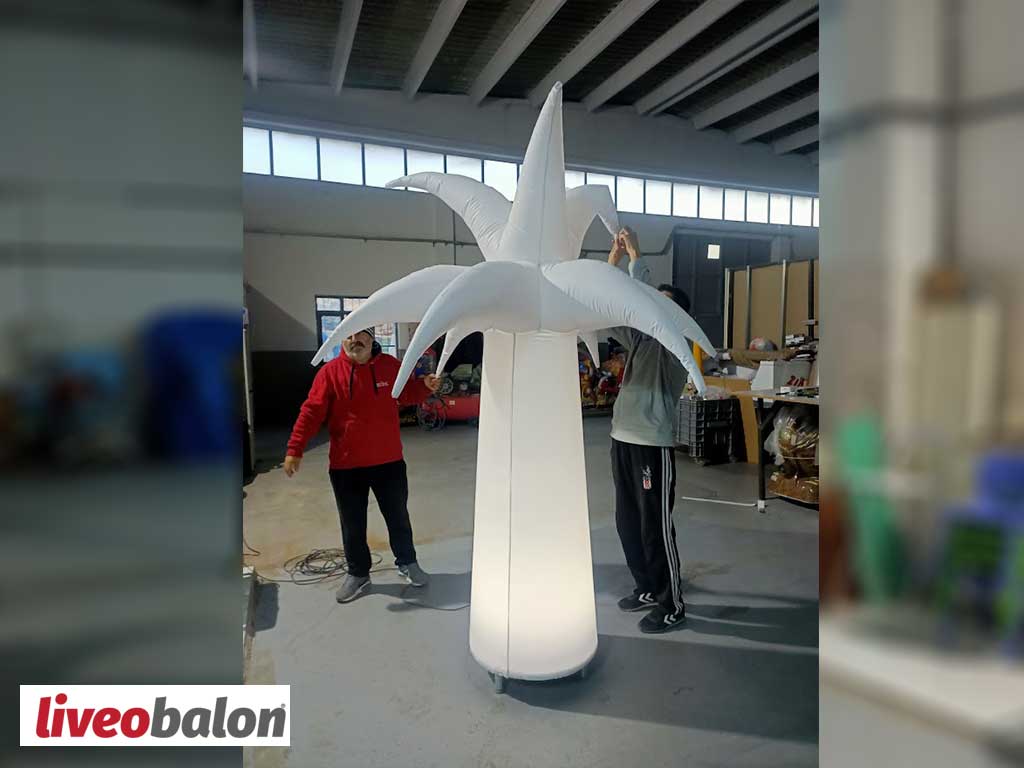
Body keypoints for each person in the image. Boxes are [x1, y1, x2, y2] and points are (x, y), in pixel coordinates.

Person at [284, 327, 441, 604]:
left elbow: (406, 393)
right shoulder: (329, 373)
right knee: (352, 524)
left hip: (389, 462)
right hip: (346, 466)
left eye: (361, 335)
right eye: (349, 336)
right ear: (342, 340)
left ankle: (407, 562)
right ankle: (358, 573)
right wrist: (295, 449)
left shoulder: (390, 366)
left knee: (398, 517)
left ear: (372, 339)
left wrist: (425, 387)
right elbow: (311, 412)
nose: (355, 340)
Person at [606, 226, 692, 634]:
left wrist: (637, 255)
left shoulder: (674, 343)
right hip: (621, 438)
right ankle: (644, 586)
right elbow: (611, 307)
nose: (653, 307)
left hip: (650, 445)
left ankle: (671, 603)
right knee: (627, 522)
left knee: (653, 526)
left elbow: (645, 304)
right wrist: (614, 260)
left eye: (664, 303)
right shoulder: (639, 340)